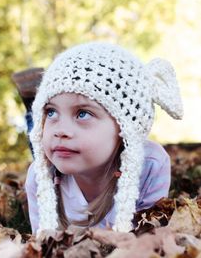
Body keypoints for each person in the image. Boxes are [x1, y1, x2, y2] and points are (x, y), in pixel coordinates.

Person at [24, 42, 183, 235]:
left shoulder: (150, 164)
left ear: (123, 126)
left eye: (82, 113)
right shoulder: (40, 177)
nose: (61, 131)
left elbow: (148, 240)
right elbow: (41, 246)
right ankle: (32, 109)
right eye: (50, 112)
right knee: (38, 142)